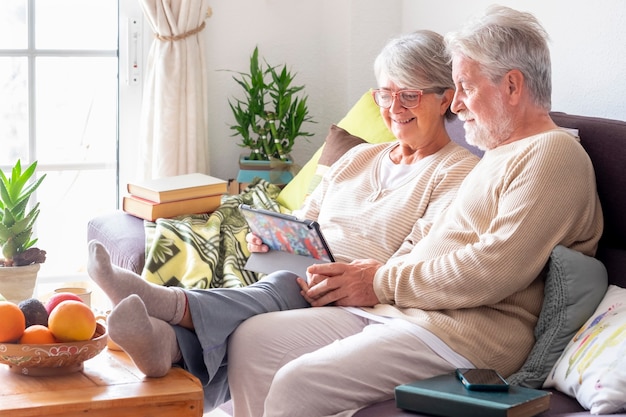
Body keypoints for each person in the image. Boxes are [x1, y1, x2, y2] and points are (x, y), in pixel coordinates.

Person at [225, 5, 603, 417]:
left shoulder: (554, 155)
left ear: (511, 86)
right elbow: (430, 240)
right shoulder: (498, 153)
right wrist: (363, 281)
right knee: (253, 339)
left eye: (464, 87)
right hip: (406, 314)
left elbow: (494, 268)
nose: (455, 105)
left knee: (299, 382)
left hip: (466, 337)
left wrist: (379, 282)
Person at [87, 30, 478, 409]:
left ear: (445, 100)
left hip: (362, 300)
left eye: (409, 96)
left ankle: (171, 320)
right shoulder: (358, 157)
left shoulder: (457, 172)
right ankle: (165, 341)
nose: (394, 109)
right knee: (279, 281)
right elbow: (305, 218)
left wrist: (360, 280)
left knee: (262, 312)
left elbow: (419, 259)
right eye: (385, 95)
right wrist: (274, 239)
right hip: (304, 277)